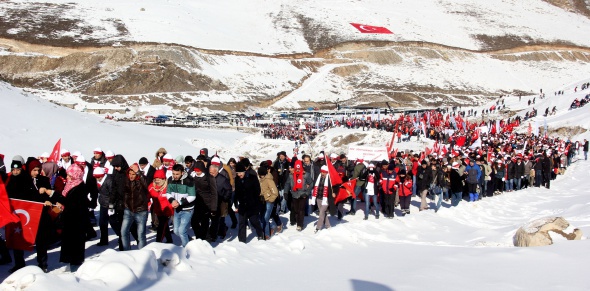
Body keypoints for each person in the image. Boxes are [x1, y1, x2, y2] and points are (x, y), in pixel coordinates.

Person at [58, 165, 90, 272]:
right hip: (70, 221)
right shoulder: (70, 185)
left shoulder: (80, 188)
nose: (67, 177)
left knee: (75, 246)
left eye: (70, 175)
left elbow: (74, 205)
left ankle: (75, 269)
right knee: (70, 245)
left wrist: (57, 198)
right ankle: (72, 264)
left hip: (77, 223)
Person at [120, 164, 149, 250]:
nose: (131, 176)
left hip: (141, 211)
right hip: (128, 210)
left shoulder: (141, 180)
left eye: (133, 174)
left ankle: (142, 253)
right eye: (130, 174)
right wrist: (125, 205)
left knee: (140, 234)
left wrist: (138, 172)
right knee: (124, 231)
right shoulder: (126, 181)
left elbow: (147, 185)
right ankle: (127, 251)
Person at [167, 164, 196, 247]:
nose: (175, 176)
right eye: (173, 174)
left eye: (177, 174)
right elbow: (168, 193)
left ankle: (186, 250)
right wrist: (172, 201)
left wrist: (180, 202)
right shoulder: (170, 180)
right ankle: (189, 241)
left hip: (187, 209)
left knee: (182, 230)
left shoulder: (189, 180)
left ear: (182, 173)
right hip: (177, 208)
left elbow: (192, 196)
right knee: (176, 231)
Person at [235, 162, 264, 242]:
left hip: (252, 204)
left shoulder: (252, 178)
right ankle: (242, 240)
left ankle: (260, 234)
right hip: (242, 205)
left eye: (240, 173)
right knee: (241, 222)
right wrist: (236, 202)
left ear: (244, 171)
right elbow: (237, 192)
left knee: (254, 221)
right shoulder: (237, 179)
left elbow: (257, 190)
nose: (239, 175)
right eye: (237, 173)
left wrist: (253, 199)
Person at [191, 161, 218, 242]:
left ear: (202, 169)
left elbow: (214, 193)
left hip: (207, 204)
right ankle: (199, 236)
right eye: (195, 170)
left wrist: (213, 207)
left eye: (198, 170)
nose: (197, 172)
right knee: (194, 222)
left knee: (204, 223)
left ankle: (203, 239)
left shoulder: (209, 178)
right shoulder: (192, 177)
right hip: (196, 203)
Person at [283, 159, 312, 231]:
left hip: (303, 194)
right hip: (294, 194)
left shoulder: (306, 175)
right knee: (296, 209)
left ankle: (300, 224)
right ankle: (297, 220)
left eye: (299, 168)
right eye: (297, 168)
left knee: (301, 210)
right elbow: (287, 184)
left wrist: (307, 193)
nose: (298, 170)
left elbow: (311, 183)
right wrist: (285, 192)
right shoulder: (291, 175)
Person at [148, 169, 173, 243]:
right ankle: (169, 240)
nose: (157, 180)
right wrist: (147, 203)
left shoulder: (168, 187)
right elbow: (147, 196)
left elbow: (172, 198)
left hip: (167, 211)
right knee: (165, 227)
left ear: (163, 179)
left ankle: (157, 242)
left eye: (159, 179)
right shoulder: (151, 187)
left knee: (161, 227)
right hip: (158, 210)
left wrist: (170, 210)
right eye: (155, 179)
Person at [209, 159, 232, 240]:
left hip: (221, 201)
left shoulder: (223, 179)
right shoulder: (208, 178)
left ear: (217, 172)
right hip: (211, 201)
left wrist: (225, 198)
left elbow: (229, 190)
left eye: (212, 173)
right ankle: (213, 233)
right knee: (213, 218)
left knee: (220, 218)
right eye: (210, 172)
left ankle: (221, 232)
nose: (211, 174)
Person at [259, 165, 281, 238]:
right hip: (262, 201)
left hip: (269, 201)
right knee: (262, 217)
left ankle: (267, 234)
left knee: (266, 218)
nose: (260, 176)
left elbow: (275, 192)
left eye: (261, 175)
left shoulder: (269, 180)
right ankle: (263, 232)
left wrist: (270, 200)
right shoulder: (261, 180)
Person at [312, 165, 335, 232]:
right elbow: (315, 186)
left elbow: (336, 187)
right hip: (319, 197)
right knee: (323, 213)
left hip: (326, 199)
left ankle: (318, 227)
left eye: (324, 172)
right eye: (322, 172)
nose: (322, 173)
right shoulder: (318, 178)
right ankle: (328, 226)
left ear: (327, 172)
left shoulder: (330, 179)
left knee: (321, 212)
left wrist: (334, 193)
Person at [94, 167, 113, 246]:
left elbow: (112, 195)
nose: (97, 179)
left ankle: (122, 238)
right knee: (102, 223)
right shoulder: (99, 180)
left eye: (98, 177)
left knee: (114, 223)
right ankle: (104, 240)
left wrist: (111, 208)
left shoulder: (109, 181)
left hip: (110, 205)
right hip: (103, 204)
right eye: (96, 177)